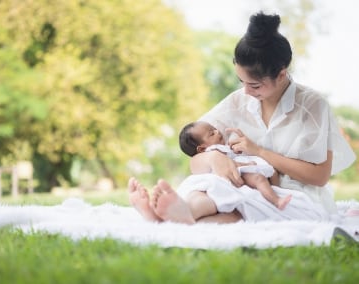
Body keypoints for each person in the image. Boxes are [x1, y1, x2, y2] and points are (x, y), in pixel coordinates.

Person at [128, 11, 356, 224]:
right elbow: (195, 156)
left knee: (238, 207)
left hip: (293, 196)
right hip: (244, 186)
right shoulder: (238, 101)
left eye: (255, 84)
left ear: (281, 74)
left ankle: (172, 221)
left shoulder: (313, 106)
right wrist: (213, 159)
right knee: (206, 187)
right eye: (241, 82)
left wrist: (260, 152)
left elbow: (319, 177)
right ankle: (174, 215)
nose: (246, 92)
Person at [179, 121, 292, 210]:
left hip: (235, 175)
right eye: (212, 133)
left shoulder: (222, 149)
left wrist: (236, 152)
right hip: (233, 175)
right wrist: (246, 164)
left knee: (262, 178)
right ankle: (276, 201)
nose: (218, 132)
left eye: (215, 129)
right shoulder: (213, 150)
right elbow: (230, 164)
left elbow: (230, 158)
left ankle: (275, 198)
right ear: (202, 148)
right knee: (259, 179)